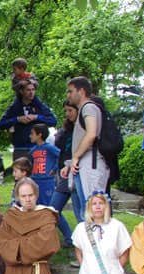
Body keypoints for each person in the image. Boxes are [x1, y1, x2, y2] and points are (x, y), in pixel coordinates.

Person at [67, 76, 108, 210]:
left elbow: (91, 134)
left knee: (93, 208)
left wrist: (76, 156)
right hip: (85, 164)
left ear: (81, 91)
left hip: (91, 164)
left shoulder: (89, 108)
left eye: (71, 91)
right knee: (85, 210)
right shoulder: (84, 109)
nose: (69, 95)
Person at [0, 78, 57, 162]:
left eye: (33, 90)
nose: (31, 92)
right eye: (28, 90)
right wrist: (18, 119)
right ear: (22, 91)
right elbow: (1, 124)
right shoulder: (14, 107)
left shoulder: (39, 106)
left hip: (36, 146)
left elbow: (53, 121)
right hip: (20, 147)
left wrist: (36, 117)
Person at [52, 101, 80, 243]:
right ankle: (70, 238)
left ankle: (80, 244)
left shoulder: (82, 128)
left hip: (76, 172)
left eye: (70, 110)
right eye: (66, 111)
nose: (68, 114)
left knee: (80, 213)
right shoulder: (65, 130)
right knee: (53, 209)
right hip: (63, 174)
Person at [28, 123, 60, 206]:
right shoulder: (33, 150)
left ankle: (57, 219)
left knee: (49, 206)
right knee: (37, 204)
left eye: (32, 133)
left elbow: (60, 156)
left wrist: (55, 168)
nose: (30, 136)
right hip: (35, 180)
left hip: (47, 181)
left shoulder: (49, 147)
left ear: (39, 135)